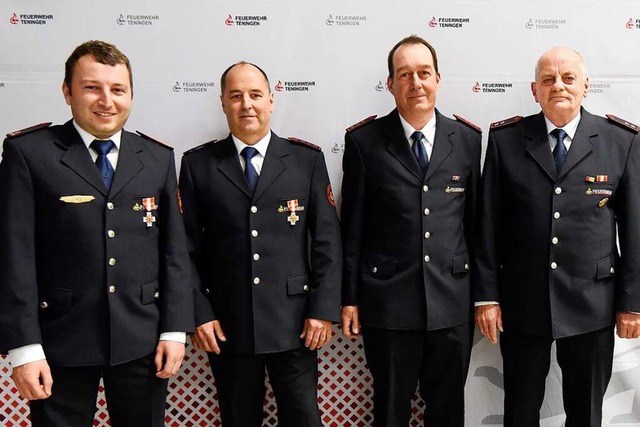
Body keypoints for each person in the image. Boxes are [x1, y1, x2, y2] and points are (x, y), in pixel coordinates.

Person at [0, 40, 194, 426]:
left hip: (142, 340)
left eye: (118, 89)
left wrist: (175, 329)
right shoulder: (29, 152)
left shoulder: (156, 157)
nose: (106, 100)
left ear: (131, 95)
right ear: (67, 92)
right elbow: (13, 255)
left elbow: (174, 251)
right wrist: (24, 347)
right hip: (59, 341)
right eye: (92, 87)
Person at [475, 46, 640, 427]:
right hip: (523, 302)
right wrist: (487, 297)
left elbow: (633, 230)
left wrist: (631, 303)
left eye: (568, 78)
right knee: (520, 410)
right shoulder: (506, 140)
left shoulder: (621, 141)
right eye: (548, 80)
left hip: (592, 302)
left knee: (585, 413)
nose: (558, 86)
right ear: (535, 90)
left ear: (586, 85)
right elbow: (488, 227)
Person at [179, 61, 341, 427]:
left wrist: (322, 308)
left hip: (296, 324)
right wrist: (199, 313)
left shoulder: (306, 161)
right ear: (222, 102)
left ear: (271, 99)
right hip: (227, 326)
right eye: (236, 96)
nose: (246, 105)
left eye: (254, 95)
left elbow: (328, 243)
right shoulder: (198, 165)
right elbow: (185, 252)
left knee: (304, 419)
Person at [340, 35, 482, 426]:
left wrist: (484, 296)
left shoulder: (468, 140)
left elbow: (476, 228)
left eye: (423, 73)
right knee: (390, 410)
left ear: (438, 78)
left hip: (451, 303)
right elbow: (352, 230)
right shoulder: (363, 142)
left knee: (448, 409)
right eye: (405, 75)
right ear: (390, 84)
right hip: (387, 304)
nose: (415, 83)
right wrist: (349, 298)